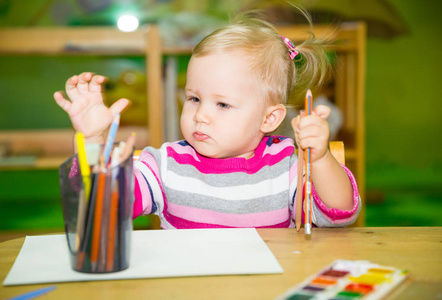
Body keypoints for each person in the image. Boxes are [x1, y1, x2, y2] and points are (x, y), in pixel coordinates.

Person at [54, 14, 360, 229]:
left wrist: (319, 159)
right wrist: (94, 139)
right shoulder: (167, 165)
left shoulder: (285, 165)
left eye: (223, 104)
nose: (201, 115)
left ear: (269, 118)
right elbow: (101, 208)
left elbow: (340, 216)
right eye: (194, 99)